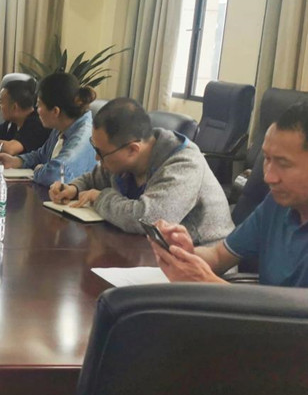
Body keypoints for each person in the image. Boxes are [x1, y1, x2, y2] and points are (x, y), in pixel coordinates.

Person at [150, 102, 308, 287]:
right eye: (267, 158)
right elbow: (218, 256)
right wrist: (183, 253)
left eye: (284, 164)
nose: (268, 177)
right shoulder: (275, 204)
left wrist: (208, 281)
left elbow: (292, 308)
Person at [50, 98, 233, 244]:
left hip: (203, 261)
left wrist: (100, 198)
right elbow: (95, 178)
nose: (97, 158)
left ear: (133, 149)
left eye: (101, 152)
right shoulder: (125, 158)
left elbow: (147, 219)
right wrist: (73, 188)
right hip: (150, 251)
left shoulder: (184, 164)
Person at [0, 72, 97, 186]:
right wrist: (16, 161)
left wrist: (38, 170)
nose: (36, 110)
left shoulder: (82, 137)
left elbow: (55, 174)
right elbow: (41, 155)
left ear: (55, 111)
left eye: (39, 105)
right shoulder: (61, 124)